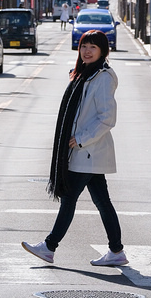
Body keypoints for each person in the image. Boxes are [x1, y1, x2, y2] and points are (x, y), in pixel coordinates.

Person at [21, 29, 127, 268]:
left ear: (102, 51)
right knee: (102, 201)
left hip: (88, 149)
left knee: (69, 198)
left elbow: (107, 118)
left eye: (93, 47)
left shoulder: (103, 77)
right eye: (84, 46)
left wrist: (81, 139)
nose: (87, 51)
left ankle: (49, 246)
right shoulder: (83, 75)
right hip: (87, 151)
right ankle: (116, 250)